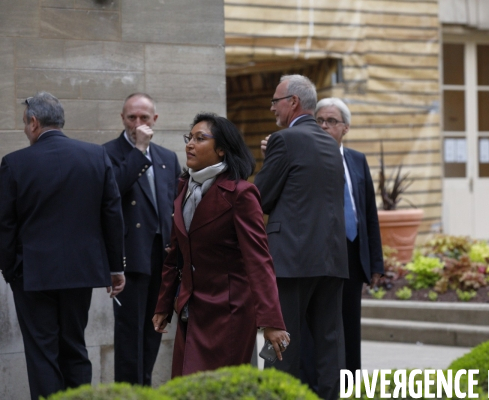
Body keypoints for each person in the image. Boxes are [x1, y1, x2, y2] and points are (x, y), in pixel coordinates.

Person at [0, 92, 125, 400]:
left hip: (32, 274)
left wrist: (11, 271)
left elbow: (5, 225)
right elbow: (112, 214)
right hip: (81, 272)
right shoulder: (96, 155)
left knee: (42, 353)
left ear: (33, 121)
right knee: (74, 346)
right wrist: (115, 267)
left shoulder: (14, 162)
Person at [152, 113, 288, 376]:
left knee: (217, 389)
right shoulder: (183, 187)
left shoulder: (241, 194)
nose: (190, 144)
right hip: (190, 310)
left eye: (200, 138)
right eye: (189, 137)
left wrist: (271, 321)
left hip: (229, 313)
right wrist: (163, 304)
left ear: (222, 149)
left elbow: (259, 261)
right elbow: (175, 254)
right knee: (186, 388)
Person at [254, 75, 348, 400]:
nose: (272, 108)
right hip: (332, 259)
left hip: (292, 260)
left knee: (282, 346)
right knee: (329, 343)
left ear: (292, 102)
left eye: (275, 101)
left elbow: (260, 198)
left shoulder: (284, 140)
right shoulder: (331, 145)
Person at [300, 98, 383, 381]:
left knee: (349, 323)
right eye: (319, 120)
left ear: (345, 128)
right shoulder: (306, 158)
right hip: (319, 255)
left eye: (331, 121)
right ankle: (320, 383)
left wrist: (375, 262)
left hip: (352, 252)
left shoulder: (357, 160)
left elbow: (368, 212)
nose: (324, 126)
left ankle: (350, 382)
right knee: (319, 323)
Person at [103, 93, 180, 385]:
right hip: (129, 257)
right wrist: (138, 149)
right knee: (128, 335)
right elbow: (113, 192)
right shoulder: (108, 153)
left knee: (153, 331)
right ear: (122, 118)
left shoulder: (166, 157)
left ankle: (144, 388)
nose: (138, 123)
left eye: (144, 118)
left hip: (162, 257)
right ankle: (129, 392)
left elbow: (173, 206)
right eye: (132, 117)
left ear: (155, 120)